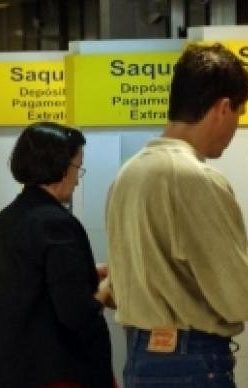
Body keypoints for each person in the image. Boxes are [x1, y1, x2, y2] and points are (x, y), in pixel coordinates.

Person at [106, 43, 248, 387]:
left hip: (142, 356)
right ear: (222, 108)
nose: (234, 130)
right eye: (239, 115)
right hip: (191, 361)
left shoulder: (130, 172)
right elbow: (236, 296)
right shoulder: (195, 178)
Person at [0, 122, 114, 388]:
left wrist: (85, 274)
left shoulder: (5, 220)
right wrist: (107, 290)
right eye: (77, 166)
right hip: (54, 371)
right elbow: (76, 313)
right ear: (61, 167)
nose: (78, 177)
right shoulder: (56, 223)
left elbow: (28, 285)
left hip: (6, 370)